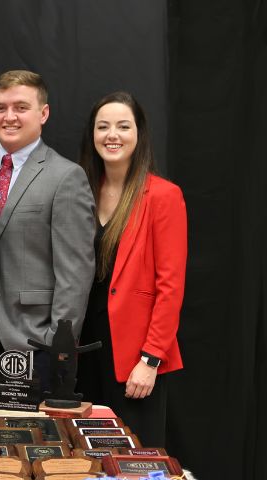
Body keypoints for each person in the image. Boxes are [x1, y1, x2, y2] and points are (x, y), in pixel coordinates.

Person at [0, 70, 94, 377]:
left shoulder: (65, 177)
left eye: (21, 107)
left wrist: (57, 343)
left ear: (43, 113)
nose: (9, 117)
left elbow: (75, 272)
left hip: (33, 340)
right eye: (0, 108)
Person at [75, 91, 187, 449]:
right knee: (82, 458)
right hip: (83, 348)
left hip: (133, 355)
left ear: (139, 134)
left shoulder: (163, 196)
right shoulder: (81, 190)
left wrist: (151, 358)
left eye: (123, 126)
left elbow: (171, 285)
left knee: (134, 460)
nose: (113, 135)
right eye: (103, 126)